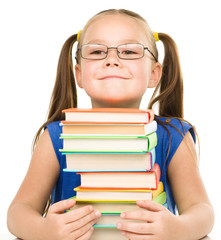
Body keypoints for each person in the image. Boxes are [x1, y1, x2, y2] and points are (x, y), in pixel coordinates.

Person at [7, 9, 214, 240]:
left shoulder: (173, 135)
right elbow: (18, 212)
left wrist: (177, 229)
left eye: (129, 51)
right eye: (96, 51)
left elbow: (202, 211)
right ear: (79, 75)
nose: (112, 60)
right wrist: (43, 230)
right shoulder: (56, 136)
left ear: (155, 74)